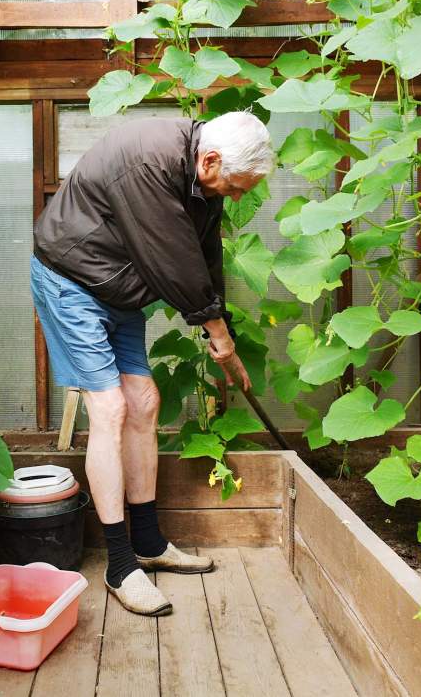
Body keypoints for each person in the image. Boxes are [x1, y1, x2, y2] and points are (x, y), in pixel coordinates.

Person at [30, 110, 275, 616]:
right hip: (72, 279)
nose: (237, 198)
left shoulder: (197, 178)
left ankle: (147, 541)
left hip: (119, 288)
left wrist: (220, 318)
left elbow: (204, 255)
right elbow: (173, 259)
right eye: (235, 187)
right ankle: (121, 567)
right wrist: (219, 336)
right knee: (111, 408)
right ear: (209, 160)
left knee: (144, 401)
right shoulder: (150, 158)